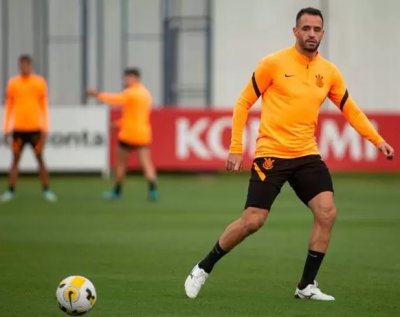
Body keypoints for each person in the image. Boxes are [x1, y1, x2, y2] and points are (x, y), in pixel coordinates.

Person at [184, 7, 394, 301]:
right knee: (253, 221)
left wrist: (377, 140)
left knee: (327, 212)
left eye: (316, 29)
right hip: (271, 154)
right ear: (295, 31)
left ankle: (306, 285)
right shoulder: (273, 63)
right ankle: (203, 267)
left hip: (307, 154)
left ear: (323, 33)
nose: (311, 34)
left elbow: (350, 109)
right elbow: (243, 102)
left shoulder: (329, 72)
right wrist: (235, 147)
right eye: (305, 28)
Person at [87, 68, 159, 202]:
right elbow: (135, 115)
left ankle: (117, 191)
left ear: (136, 78)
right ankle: (153, 190)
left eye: (128, 78)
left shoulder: (131, 92)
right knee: (146, 164)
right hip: (143, 133)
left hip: (128, 134)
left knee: (121, 164)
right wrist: (118, 123)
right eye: (125, 78)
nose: (126, 81)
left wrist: (97, 94)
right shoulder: (146, 94)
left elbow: (115, 100)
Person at [1, 55, 57, 203]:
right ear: (19, 66)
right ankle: (10, 190)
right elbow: (9, 107)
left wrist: (45, 127)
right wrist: (6, 127)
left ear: (31, 65)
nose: (24, 67)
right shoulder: (13, 83)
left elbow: (44, 106)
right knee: (15, 160)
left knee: (40, 160)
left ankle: (46, 190)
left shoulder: (39, 83)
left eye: (27, 65)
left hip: (35, 130)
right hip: (18, 130)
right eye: (22, 65)